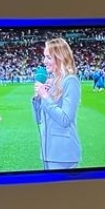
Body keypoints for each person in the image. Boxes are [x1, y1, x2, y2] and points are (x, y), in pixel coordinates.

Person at [31, 38, 81, 169]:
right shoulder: (51, 82)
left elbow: (65, 119)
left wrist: (46, 97)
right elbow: (39, 120)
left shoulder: (70, 81)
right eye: (44, 57)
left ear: (60, 58)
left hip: (63, 154)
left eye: (48, 57)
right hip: (47, 151)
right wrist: (38, 98)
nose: (44, 61)